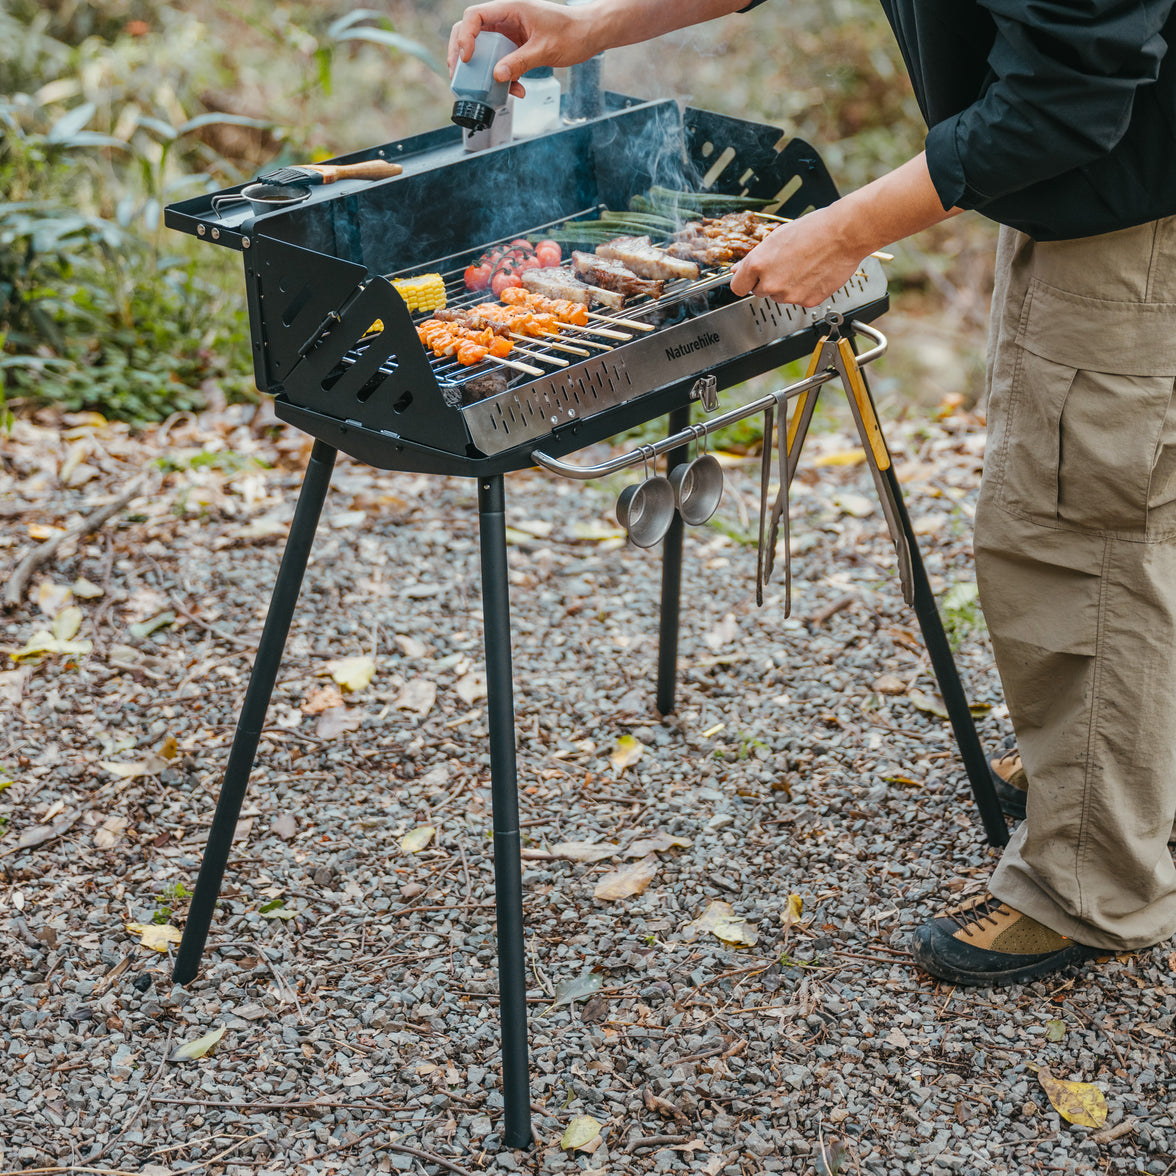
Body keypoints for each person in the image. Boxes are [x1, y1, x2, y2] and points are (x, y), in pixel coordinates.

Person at [449, 0, 1176, 987]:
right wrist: (593, 26)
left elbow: (1067, 99)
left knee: (1078, 536)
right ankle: (1112, 764)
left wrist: (845, 231)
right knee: (1127, 507)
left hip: (1135, 212)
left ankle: (1093, 881)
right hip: (1109, 184)